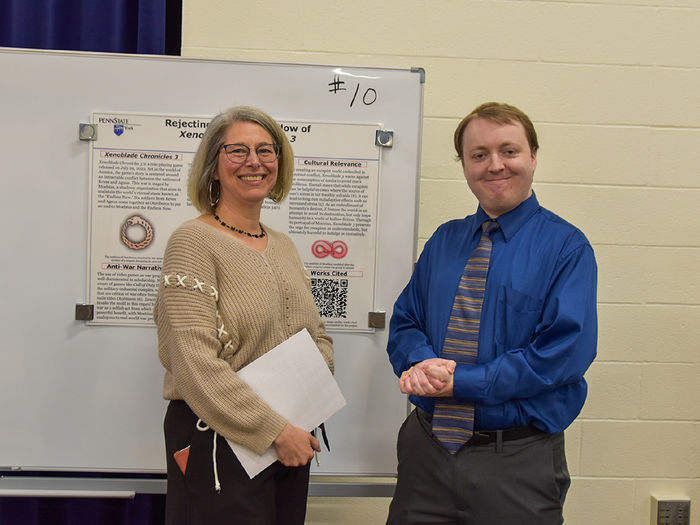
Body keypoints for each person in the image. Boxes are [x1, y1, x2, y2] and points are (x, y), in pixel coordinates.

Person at [385, 102, 597, 524]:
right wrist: (422, 365)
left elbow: (561, 355)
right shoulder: (444, 241)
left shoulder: (566, 249)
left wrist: (457, 382)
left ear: (533, 157)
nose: (495, 165)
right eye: (479, 154)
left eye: (509, 151)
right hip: (426, 455)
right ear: (464, 165)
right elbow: (406, 321)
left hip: (517, 461)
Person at [153, 106, 334, 525]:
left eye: (266, 151)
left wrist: (302, 408)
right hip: (220, 441)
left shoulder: (284, 246)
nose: (254, 161)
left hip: (289, 438)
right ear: (213, 167)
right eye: (237, 150)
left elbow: (317, 335)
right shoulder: (192, 242)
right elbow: (193, 363)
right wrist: (273, 430)